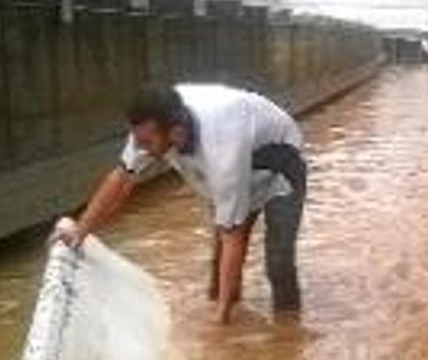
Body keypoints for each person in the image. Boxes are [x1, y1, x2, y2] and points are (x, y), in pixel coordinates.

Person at [49, 83, 306, 324]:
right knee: (219, 273)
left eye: (147, 143)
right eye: (137, 140)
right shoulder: (152, 123)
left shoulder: (222, 152)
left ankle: (289, 334)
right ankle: (230, 311)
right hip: (238, 163)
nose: (140, 148)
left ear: (176, 132)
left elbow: (233, 237)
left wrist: (219, 323)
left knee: (278, 262)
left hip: (279, 166)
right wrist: (80, 231)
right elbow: (120, 179)